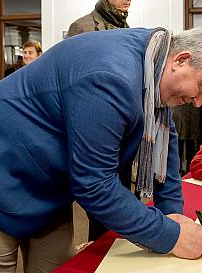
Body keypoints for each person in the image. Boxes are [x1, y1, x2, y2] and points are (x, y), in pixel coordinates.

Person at [0, 27, 202, 273]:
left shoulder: (155, 63)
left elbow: (164, 140)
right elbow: (95, 185)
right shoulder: (111, 76)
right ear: (181, 60)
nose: (198, 102)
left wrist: (173, 215)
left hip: (48, 177)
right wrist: (170, 236)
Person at [68, 0, 132, 241]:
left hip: (122, 126)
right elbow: (74, 77)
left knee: (122, 195)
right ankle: (97, 254)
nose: (127, 0)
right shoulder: (83, 26)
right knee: (99, 201)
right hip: (94, 125)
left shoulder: (126, 27)